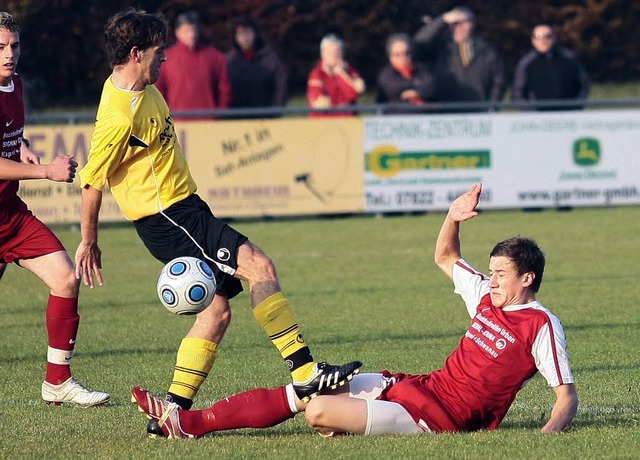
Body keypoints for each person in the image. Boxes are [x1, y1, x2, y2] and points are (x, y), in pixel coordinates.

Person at [75, 9, 361, 437]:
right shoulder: (120, 114)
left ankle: (172, 412)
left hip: (183, 211)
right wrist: (88, 242)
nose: (166, 58)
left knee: (216, 312)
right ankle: (305, 373)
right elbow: (91, 181)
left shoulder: (138, 87)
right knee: (259, 266)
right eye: (158, 51)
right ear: (135, 53)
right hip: (171, 215)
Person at [131, 183, 579, 438]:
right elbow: (445, 257)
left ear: (528, 279)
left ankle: (192, 424)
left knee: (317, 412)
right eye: (491, 271)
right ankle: (190, 422)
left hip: (441, 420)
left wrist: (545, 438)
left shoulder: (541, 324)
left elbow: (566, 397)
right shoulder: (485, 295)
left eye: (502, 274)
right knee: (314, 388)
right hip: (421, 386)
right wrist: (453, 216)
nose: (492, 280)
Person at [0, 12, 109, 407]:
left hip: (10, 216)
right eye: (0, 47)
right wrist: (44, 169)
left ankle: (57, 381)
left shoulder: (16, 85)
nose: (9, 54)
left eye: (14, 46)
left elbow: (6, 133)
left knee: (66, 278)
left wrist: (20, 145)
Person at [413, 6, 505, 110]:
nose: (458, 27)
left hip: (478, 113)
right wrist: (442, 19)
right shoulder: (440, 48)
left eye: (463, 23)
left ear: (472, 24)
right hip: (446, 113)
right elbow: (418, 43)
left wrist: (492, 107)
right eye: (454, 24)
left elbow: (498, 82)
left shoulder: (487, 52)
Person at [155, 10, 230, 119]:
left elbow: (225, 90)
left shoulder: (215, 57)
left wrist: (220, 115)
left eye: (194, 30)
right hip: (177, 123)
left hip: (210, 123)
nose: (192, 35)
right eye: (186, 31)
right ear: (177, 32)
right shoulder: (165, 58)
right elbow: (158, 91)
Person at [512, 23, 590, 110]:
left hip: (567, 115)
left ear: (554, 38)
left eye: (548, 36)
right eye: (538, 37)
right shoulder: (526, 63)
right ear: (533, 40)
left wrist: (576, 107)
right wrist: (529, 112)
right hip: (537, 117)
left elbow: (583, 84)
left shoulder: (570, 59)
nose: (543, 40)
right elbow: (518, 91)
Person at [226, 15, 288, 117]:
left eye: (248, 33)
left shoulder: (269, 58)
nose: (245, 38)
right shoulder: (229, 61)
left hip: (264, 118)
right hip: (235, 119)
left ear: (255, 33)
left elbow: (281, 85)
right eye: (240, 34)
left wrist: (276, 111)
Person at [306, 33, 365, 117]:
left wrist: (340, 73)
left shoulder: (350, 71)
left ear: (342, 53)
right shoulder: (316, 74)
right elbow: (320, 104)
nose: (333, 55)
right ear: (322, 53)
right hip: (323, 124)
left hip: (348, 123)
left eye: (337, 51)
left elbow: (353, 94)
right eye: (329, 52)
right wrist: (342, 106)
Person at [375, 33, 435, 113]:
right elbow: (393, 89)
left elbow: (431, 86)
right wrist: (418, 87)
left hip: (425, 117)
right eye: (397, 55)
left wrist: (418, 93)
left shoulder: (422, 69)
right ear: (390, 56)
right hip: (396, 118)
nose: (403, 58)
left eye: (407, 53)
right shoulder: (386, 74)